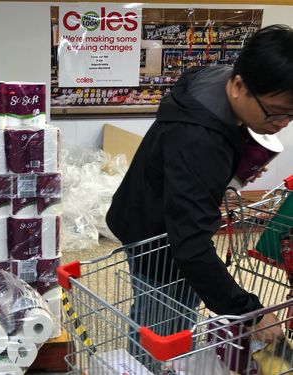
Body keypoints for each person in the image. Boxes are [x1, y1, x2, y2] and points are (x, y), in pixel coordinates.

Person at [106, 24, 293, 346]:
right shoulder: (197, 139)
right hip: (157, 237)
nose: (283, 124)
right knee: (165, 326)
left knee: (163, 311)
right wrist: (251, 312)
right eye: (275, 113)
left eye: (291, 115)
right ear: (238, 86)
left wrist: (231, 167)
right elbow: (189, 245)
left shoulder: (213, 82)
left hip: (148, 210)